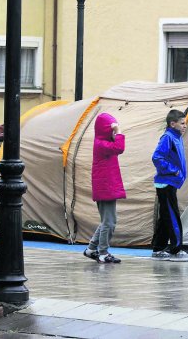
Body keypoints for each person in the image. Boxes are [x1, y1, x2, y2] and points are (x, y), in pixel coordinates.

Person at [151, 109, 188, 262]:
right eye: (182, 123)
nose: (185, 126)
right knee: (173, 215)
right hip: (166, 182)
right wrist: (173, 171)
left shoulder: (177, 137)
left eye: (185, 123)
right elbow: (157, 157)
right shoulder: (167, 137)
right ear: (172, 124)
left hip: (171, 183)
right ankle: (176, 249)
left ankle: (158, 248)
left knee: (165, 216)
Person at [83, 113, 126, 264]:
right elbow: (120, 148)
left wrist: (115, 133)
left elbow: (117, 147)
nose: (114, 132)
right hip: (105, 188)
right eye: (111, 129)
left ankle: (91, 249)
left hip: (107, 187)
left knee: (106, 221)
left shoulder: (103, 142)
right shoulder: (101, 144)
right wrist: (119, 131)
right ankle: (103, 253)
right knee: (110, 222)